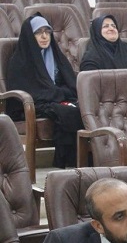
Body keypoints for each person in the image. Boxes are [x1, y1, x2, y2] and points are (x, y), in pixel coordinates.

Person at [7, 14, 83, 168]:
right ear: (30, 36)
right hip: (30, 106)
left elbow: (71, 85)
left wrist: (57, 94)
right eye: (38, 32)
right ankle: (66, 162)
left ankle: (84, 161)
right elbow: (31, 92)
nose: (44, 36)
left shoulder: (56, 56)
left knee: (83, 110)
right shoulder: (19, 62)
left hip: (55, 100)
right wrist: (59, 94)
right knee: (64, 112)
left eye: (47, 31)